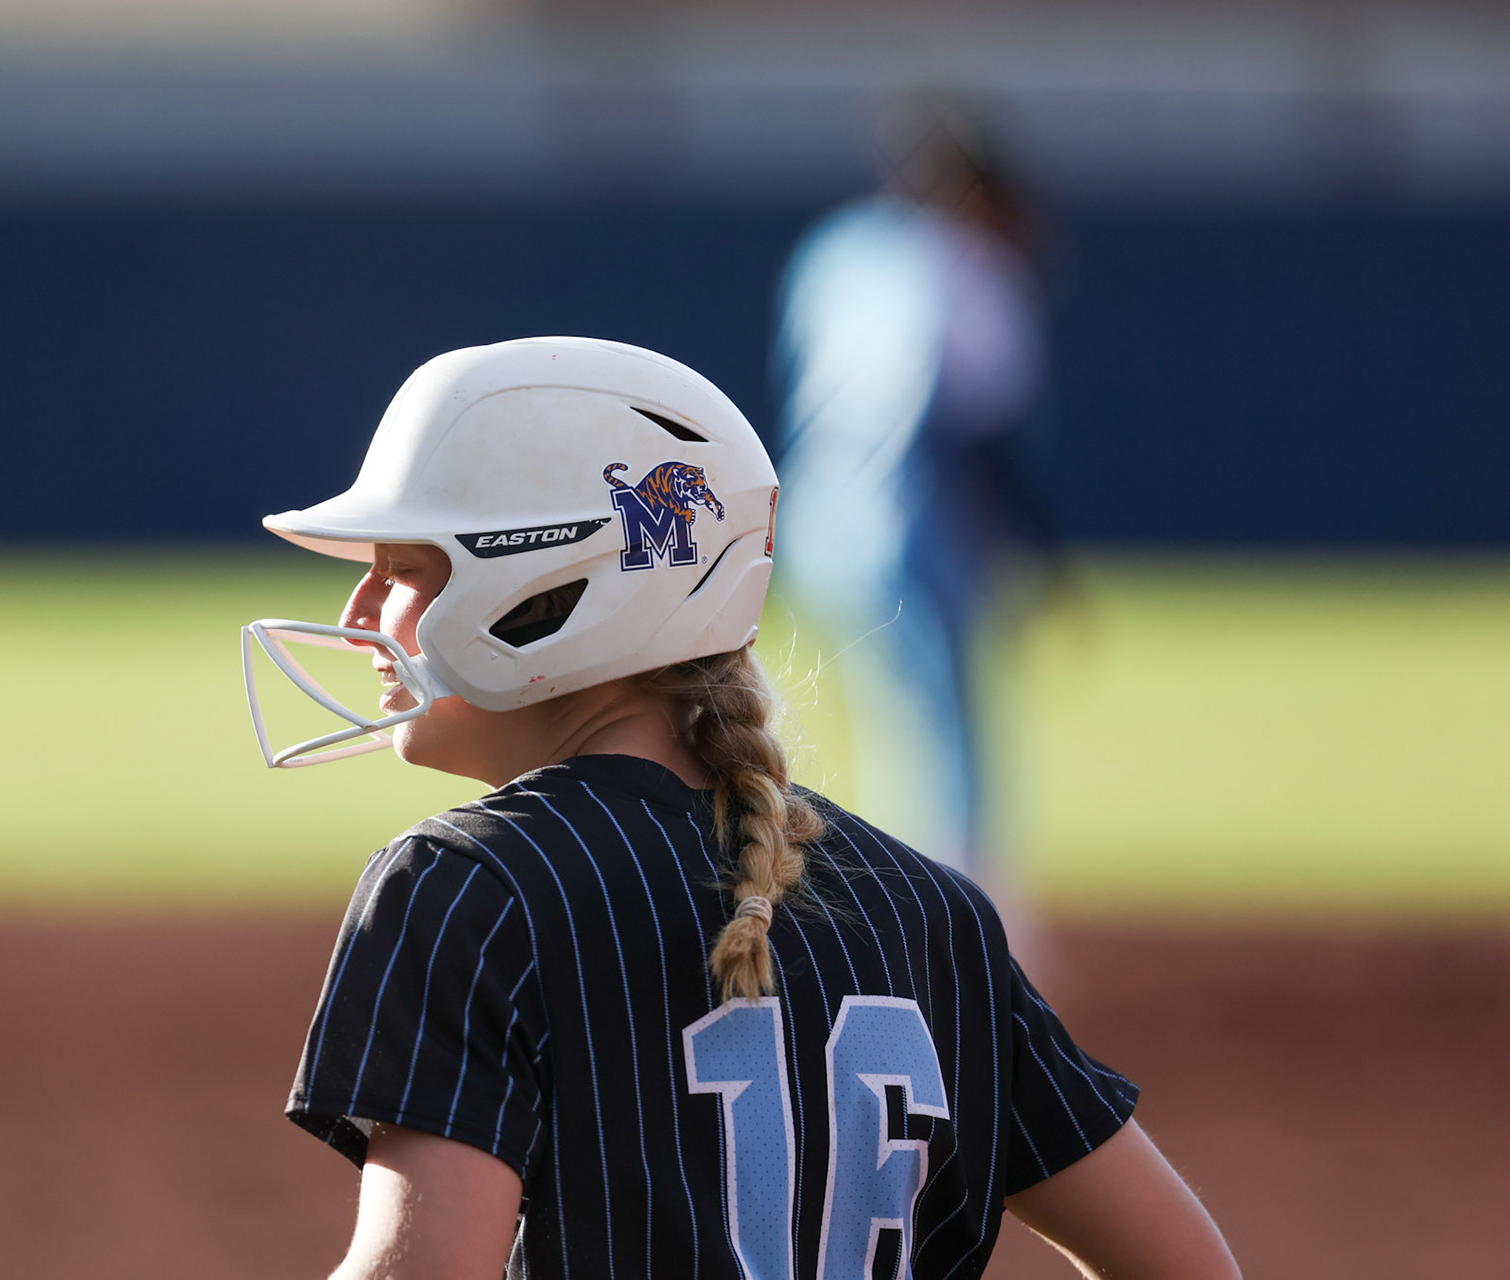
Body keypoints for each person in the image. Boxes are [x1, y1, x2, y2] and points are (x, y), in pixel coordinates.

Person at [242, 337, 1236, 1280]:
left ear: (544, 583)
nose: (357, 616)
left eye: (403, 569)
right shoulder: (936, 911)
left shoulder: (468, 887)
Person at [774, 103, 1060, 879]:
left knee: (884, 719)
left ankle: (894, 896)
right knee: (948, 730)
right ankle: (962, 910)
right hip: (913, 514)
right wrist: (1037, 552)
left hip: (818, 512)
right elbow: (982, 431)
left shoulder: (837, 250)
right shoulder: (968, 264)